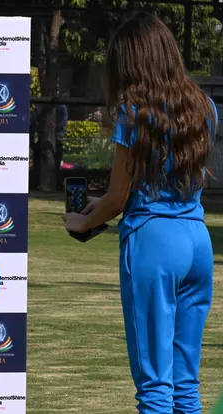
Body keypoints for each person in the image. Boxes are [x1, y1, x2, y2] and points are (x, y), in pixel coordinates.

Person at [62, 12, 216, 413]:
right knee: (186, 382)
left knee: (154, 385)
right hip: (197, 241)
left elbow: (116, 199)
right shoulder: (205, 107)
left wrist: (83, 220)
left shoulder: (134, 112)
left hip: (153, 243)